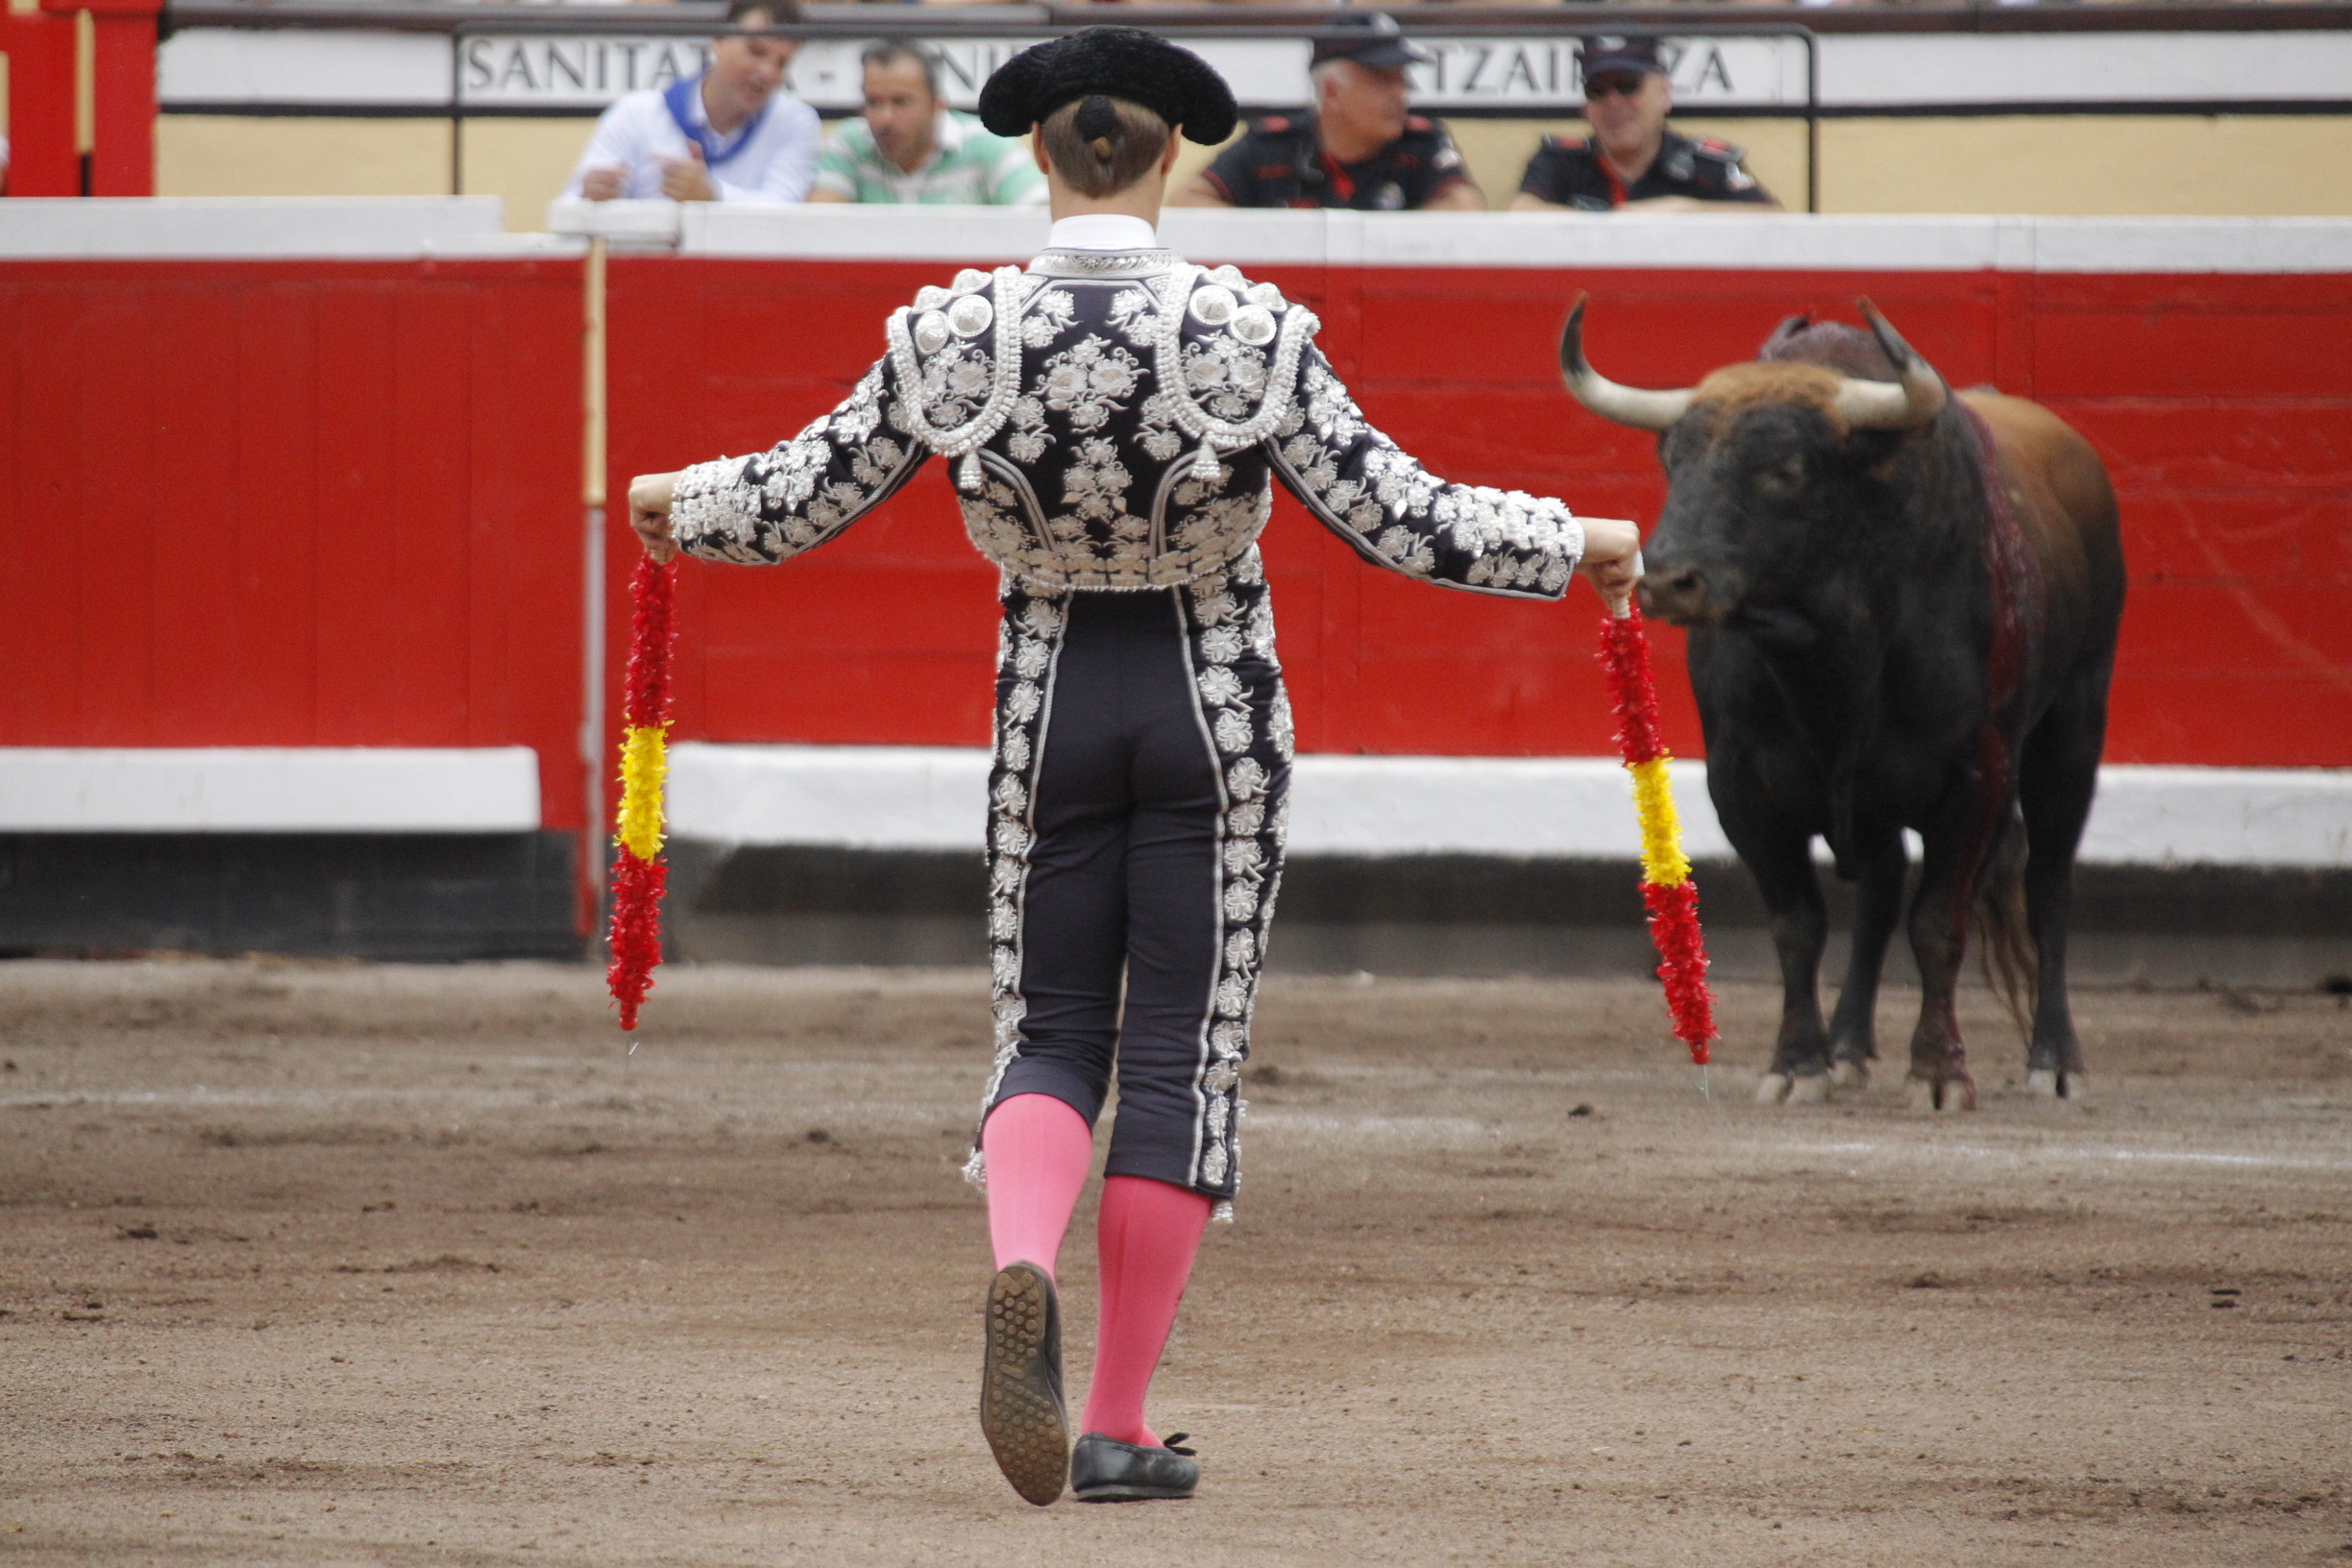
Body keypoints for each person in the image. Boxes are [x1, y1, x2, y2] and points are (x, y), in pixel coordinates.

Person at [624, 25, 1640, 1508]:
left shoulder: (953, 330)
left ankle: (1021, 1259)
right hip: (1210, 706)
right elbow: (1400, 518)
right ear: (1174, 156)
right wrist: (1577, 543)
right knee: (1176, 1053)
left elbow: (797, 499)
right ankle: (1110, 1421)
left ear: (1035, 156)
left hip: (1048, 701)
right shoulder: (1250, 328)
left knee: (1049, 1030)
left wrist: (675, 501)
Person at [1169, 13, 1481, 212]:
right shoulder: (1273, 143)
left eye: (1403, 79)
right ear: (1331, 92)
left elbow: (1466, 208)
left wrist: (1378, 240)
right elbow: (1187, 203)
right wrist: (1282, 237)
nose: (1400, 95)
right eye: (1382, 79)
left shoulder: (1422, 141)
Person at [562, 0, 820, 206]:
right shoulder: (636, 114)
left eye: (782, 63)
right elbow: (567, 207)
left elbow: (785, 213)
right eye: (756, 52)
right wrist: (591, 198)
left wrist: (712, 195)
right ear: (718, 42)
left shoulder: (796, 122)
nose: (768, 73)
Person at [1511, 37, 1778, 214]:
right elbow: (1521, 211)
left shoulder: (1705, 164)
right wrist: (1612, 225)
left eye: (1628, 87)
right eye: (1597, 90)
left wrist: (1680, 211)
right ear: (1585, 106)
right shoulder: (1560, 161)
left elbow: (1771, 218)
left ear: (1664, 94)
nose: (1613, 103)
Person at [811, 41, 1046, 206]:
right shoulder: (849, 143)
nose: (886, 118)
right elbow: (817, 229)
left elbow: (1039, 217)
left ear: (937, 105)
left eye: (900, 102)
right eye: (873, 102)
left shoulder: (985, 145)